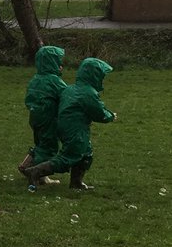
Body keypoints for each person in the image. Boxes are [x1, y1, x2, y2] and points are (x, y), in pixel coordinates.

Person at [24, 57, 116, 191]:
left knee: (85, 153)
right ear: (94, 75)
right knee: (69, 156)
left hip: (66, 126)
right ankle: (35, 171)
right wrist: (110, 116)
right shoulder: (88, 93)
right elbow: (98, 111)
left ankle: (76, 183)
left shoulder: (72, 89)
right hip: (75, 128)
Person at [18, 44, 66, 182]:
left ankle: (26, 165)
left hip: (35, 117)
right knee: (49, 146)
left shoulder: (36, 79)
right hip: (49, 118)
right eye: (58, 61)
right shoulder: (54, 81)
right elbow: (66, 95)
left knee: (40, 143)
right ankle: (35, 171)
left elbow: (29, 98)